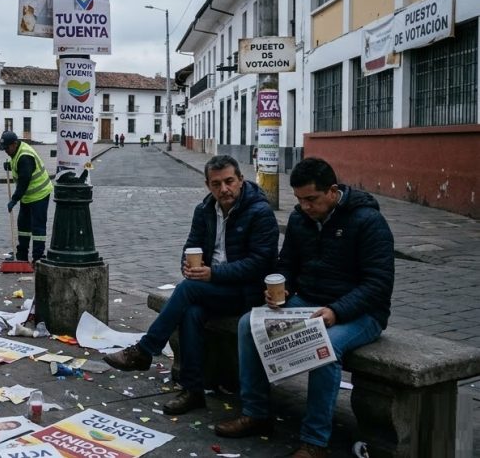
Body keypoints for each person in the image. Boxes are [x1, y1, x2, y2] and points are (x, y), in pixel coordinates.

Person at [215, 158, 395, 458]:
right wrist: (282, 287)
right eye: (299, 199)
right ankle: (255, 413)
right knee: (249, 323)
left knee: (325, 347)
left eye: (311, 199)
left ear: (332, 191)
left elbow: (378, 283)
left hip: (363, 313)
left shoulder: (367, 221)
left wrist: (337, 311)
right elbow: (287, 263)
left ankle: (314, 442)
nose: (305, 206)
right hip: (309, 301)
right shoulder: (300, 218)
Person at [103, 155, 278, 415]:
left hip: (246, 292)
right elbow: (191, 246)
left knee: (187, 290)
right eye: (216, 184)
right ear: (208, 185)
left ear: (241, 180)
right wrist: (187, 266)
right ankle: (193, 390)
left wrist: (213, 274)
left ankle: (145, 350)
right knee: (191, 312)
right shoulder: (204, 210)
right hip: (213, 290)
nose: (224, 189)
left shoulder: (259, 212)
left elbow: (260, 264)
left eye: (229, 181)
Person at [0, 131, 52, 263]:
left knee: (38, 227)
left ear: (14, 144)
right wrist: (10, 165)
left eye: (7, 148)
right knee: (23, 225)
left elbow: (24, 181)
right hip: (28, 196)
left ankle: (37, 257)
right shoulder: (17, 152)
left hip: (40, 194)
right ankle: (22, 255)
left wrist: (14, 199)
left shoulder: (25, 157)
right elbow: (19, 166)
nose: (5, 151)